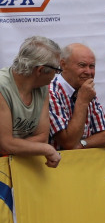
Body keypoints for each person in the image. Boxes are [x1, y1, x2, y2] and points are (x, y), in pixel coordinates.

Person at [0, 36, 62, 167]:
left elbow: (43, 137)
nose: (56, 74)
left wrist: (15, 145)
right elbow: (5, 145)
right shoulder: (2, 87)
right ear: (40, 70)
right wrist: (46, 149)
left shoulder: (43, 88)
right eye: (56, 70)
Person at [48, 43, 105, 151]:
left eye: (92, 66)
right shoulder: (51, 93)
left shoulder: (86, 91)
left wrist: (82, 144)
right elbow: (68, 142)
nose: (88, 72)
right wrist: (82, 102)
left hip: (83, 165)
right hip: (57, 166)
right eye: (82, 65)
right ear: (63, 65)